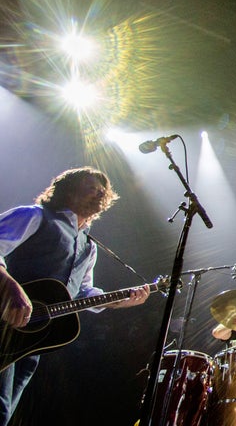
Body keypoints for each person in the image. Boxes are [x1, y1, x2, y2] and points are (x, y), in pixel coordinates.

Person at [0, 167, 151, 426]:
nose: (98, 193)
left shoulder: (89, 246)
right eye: (90, 187)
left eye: (102, 191)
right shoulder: (35, 216)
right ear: (67, 190)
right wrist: (11, 288)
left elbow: (81, 292)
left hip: (30, 341)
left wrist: (118, 301)